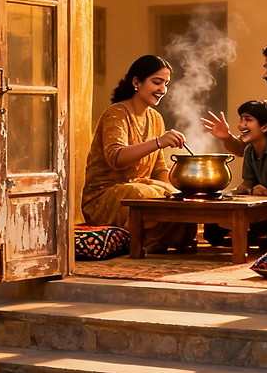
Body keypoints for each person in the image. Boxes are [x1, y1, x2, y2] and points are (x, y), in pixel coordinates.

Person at [81, 55, 196, 252]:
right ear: (136, 82)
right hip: (105, 195)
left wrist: (181, 191)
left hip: (142, 188)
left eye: (166, 84)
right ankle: (146, 242)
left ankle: (155, 241)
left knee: (176, 198)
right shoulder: (115, 113)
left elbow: (159, 169)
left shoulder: (156, 118)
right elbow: (116, 158)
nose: (162, 89)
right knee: (141, 195)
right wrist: (158, 142)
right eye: (156, 82)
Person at [203, 99, 267, 247]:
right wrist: (229, 196)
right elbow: (248, 182)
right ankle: (250, 237)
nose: (241, 125)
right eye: (241, 119)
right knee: (212, 231)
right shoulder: (249, 150)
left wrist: (261, 193)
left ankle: (255, 237)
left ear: (264, 127)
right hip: (260, 201)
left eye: (248, 120)